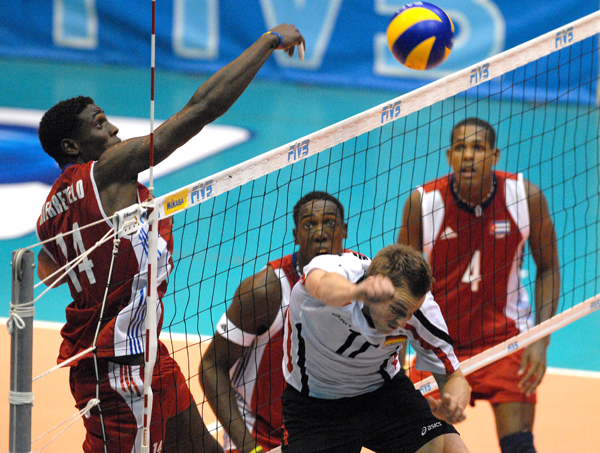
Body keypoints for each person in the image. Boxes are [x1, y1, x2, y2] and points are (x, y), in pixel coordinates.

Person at [35, 24, 305, 453]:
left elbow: (47, 275)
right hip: (114, 370)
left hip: (149, 357)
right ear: (72, 145)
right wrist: (269, 41)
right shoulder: (108, 171)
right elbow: (201, 109)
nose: (114, 133)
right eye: (100, 124)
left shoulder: (50, 210)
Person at [397, 117, 560, 453]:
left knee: (519, 447)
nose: (468, 156)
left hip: (505, 343)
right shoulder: (424, 203)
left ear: (495, 155)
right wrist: (397, 359)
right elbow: (401, 283)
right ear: (448, 156)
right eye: (460, 148)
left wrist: (539, 339)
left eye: (478, 148)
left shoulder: (524, 197)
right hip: (439, 348)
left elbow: (548, 269)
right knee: (424, 445)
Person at [282, 243, 471, 453]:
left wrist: (454, 403)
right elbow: (321, 285)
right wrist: (357, 291)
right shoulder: (339, 270)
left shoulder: (418, 309)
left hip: (383, 394)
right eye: (397, 310)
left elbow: (453, 377)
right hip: (315, 405)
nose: (401, 322)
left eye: (409, 313)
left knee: (448, 448)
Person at [199, 191, 350, 453]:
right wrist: (251, 450)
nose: (320, 233)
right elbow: (211, 367)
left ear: (344, 230)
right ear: (295, 235)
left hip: (324, 432)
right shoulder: (266, 292)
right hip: (262, 438)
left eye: (329, 222)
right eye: (309, 224)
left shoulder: (357, 279)